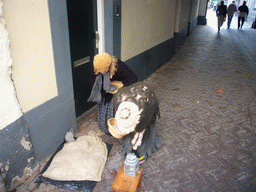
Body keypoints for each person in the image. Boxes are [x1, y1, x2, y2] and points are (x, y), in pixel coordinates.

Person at [87, 53, 138, 134]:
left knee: (116, 109)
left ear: (110, 65)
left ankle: (117, 128)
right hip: (106, 92)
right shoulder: (97, 68)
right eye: (101, 71)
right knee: (104, 107)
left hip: (119, 92)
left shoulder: (119, 66)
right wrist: (104, 90)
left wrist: (120, 85)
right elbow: (93, 83)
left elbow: (133, 78)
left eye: (105, 70)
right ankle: (106, 126)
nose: (103, 72)